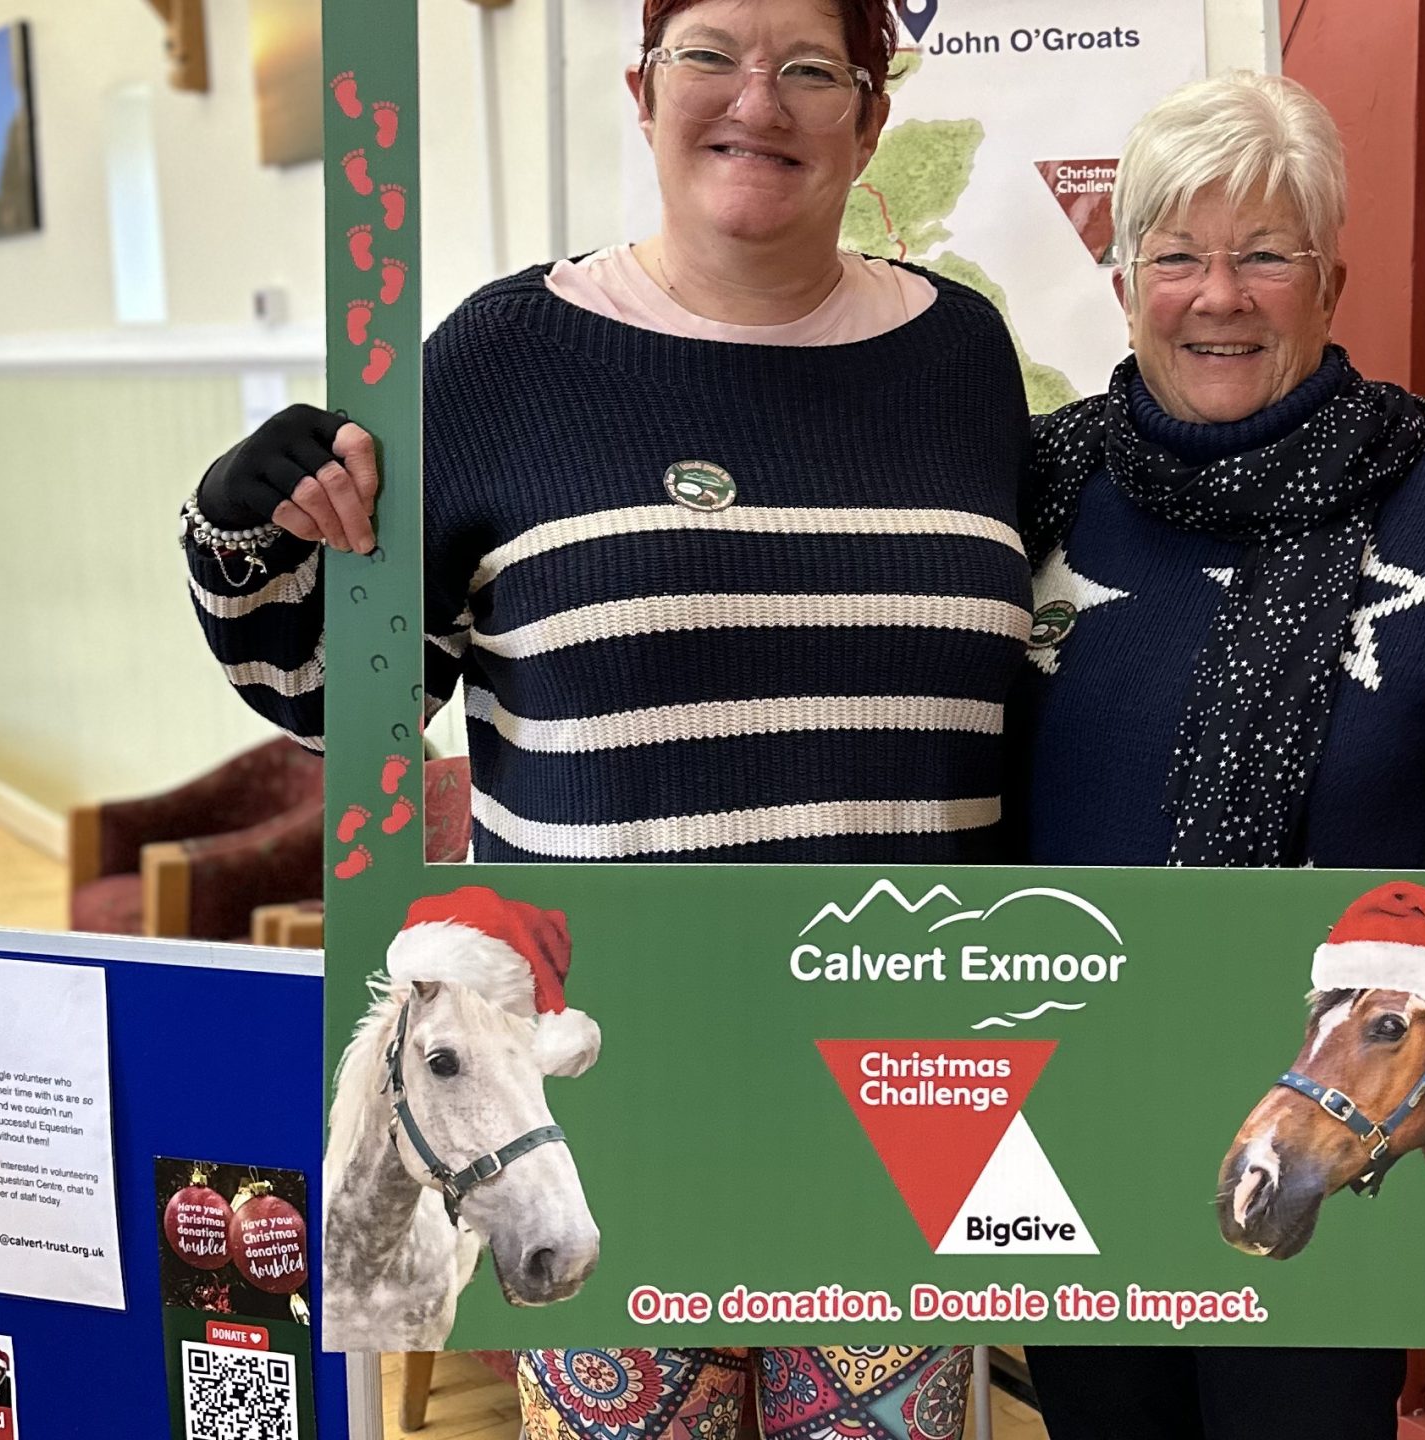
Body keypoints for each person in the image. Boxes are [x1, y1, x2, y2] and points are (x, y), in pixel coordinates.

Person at [180, 1, 1018, 1433]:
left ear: (872, 116)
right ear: (642, 89)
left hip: (914, 1081)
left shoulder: (963, 361)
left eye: (811, 68)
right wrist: (242, 527)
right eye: (708, 54)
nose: (756, 99)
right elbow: (342, 705)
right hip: (606, 1094)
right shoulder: (504, 361)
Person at [1011, 73, 1425, 1438]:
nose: (1220, 294)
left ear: (1333, 281)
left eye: (1266, 254)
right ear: (1126, 278)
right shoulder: (1033, 495)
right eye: (1179, 255)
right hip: (1067, 1109)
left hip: (1327, 1138)